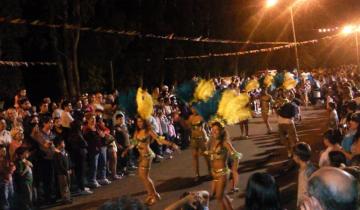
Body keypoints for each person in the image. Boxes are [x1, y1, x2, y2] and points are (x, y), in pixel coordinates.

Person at [130, 116, 179, 205]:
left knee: (145, 176)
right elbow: (134, 142)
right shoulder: (137, 131)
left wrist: (171, 144)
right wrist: (127, 149)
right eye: (138, 121)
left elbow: (159, 139)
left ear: (145, 122)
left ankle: (153, 195)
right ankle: (153, 195)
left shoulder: (149, 131)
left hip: (147, 155)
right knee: (142, 176)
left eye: (141, 121)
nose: (139, 123)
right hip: (142, 156)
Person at [205, 122, 242, 210]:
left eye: (216, 130)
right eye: (212, 130)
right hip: (214, 172)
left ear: (221, 131)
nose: (214, 132)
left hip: (223, 173)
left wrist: (234, 169)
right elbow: (212, 154)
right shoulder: (212, 142)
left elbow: (235, 155)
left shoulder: (225, 143)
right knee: (222, 196)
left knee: (219, 196)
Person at [186, 108, 210, 181]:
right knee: (194, 156)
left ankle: (210, 172)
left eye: (195, 108)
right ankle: (197, 174)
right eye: (192, 108)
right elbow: (189, 127)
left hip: (202, 138)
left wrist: (206, 136)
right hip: (194, 139)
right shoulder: (190, 117)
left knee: (206, 156)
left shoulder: (201, 116)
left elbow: (206, 126)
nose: (194, 110)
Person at [292, 142, 317, 207]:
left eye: (294, 155)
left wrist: (300, 205)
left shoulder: (303, 173)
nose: (293, 157)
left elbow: (303, 193)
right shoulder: (312, 166)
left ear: (298, 157)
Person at [53, 138, 72, 204]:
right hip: (61, 173)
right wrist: (65, 170)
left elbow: (69, 160)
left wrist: (70, 168)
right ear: (58, 145)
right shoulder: (57, 153)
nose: (64, 144)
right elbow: (59, 164)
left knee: (68, 184)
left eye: (64, 143)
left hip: (67, 171)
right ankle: (65, 199)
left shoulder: (65, 151)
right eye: (62, 143)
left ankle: (69, 197)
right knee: (63, 186)